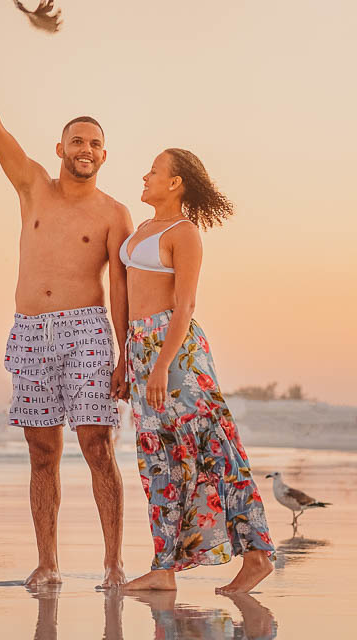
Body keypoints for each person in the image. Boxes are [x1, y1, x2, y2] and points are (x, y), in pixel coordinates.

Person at [0, 30, 133, 587]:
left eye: (94, 143)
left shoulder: (114, 214)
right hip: (30, 333)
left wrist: (124, 355)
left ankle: (113, 561)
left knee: (98, 446)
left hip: (88, 332)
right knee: (41, 452)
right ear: (60, 148)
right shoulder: (32, 187)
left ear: (103, 153)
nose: (85, 149)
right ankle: (48, 563)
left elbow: (120, 290)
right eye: (76, 140)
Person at [121, 148, 275, 593]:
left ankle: (258, 555)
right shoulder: (143, 229)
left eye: (154, 171)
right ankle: (163, 568)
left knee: (214, 448)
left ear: (175, 183)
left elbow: (185, 304)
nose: (145, 176)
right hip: (139, 349)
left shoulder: (185, 233)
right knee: (159, 459)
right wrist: (127, 360)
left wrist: (162, 365)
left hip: (177, 353)